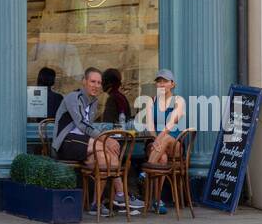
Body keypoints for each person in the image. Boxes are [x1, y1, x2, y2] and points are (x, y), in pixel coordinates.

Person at [52, 67, 143, 216]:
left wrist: (104, 140)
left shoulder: (93, 102)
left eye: (99, 82)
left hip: (83, 143)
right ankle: (121, 194)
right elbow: (82, 124)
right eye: (92, 81)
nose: (96, 85)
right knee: (105, 146)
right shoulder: (73, 98)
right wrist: (105, 139)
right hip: (66, 143)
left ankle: (96, 205)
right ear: (84, 82)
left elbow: (89, 129)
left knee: (103, 158)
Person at [142, 68, 187, 214]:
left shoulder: (179, 100)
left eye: (165, 82)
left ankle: (145, 171)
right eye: (159, 82)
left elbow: (170, 125)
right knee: (162, 158)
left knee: (167, 137)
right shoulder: (151, 101)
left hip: (175, 144)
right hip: (157, 144)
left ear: (172, 84)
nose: (161, 85)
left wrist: (158, 140)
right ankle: (157, 200)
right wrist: (155, 140)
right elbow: (150, 126)